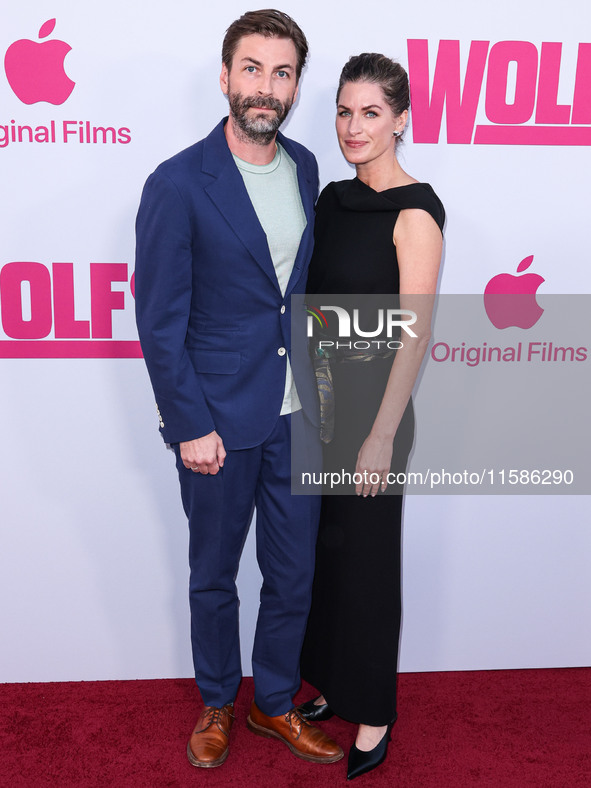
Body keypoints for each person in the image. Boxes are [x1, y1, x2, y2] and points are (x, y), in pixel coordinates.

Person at [135, 9, 343, 770]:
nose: (266, 86)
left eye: (282, 72)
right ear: (225, 78)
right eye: (252, 68)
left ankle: (274, 703)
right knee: (214, 574)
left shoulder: (307, 168)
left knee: (293, 574)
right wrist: (189, 421)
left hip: (299, 414)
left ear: (294, 86)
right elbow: (159, 320)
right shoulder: (178, 182)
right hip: (218, 418)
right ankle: (219, 700)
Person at [298, 53, 445, 780]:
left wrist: (380, 435)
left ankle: (375, 711)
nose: (353, 127)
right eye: (344, 111)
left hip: (373, 419)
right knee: (323, 556)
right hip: (317, 407)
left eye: (371, 113)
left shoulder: (414, 211)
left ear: (401, 120)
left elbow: (412, 335)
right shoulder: (330, 199)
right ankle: (329, 682)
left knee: (367, 566)